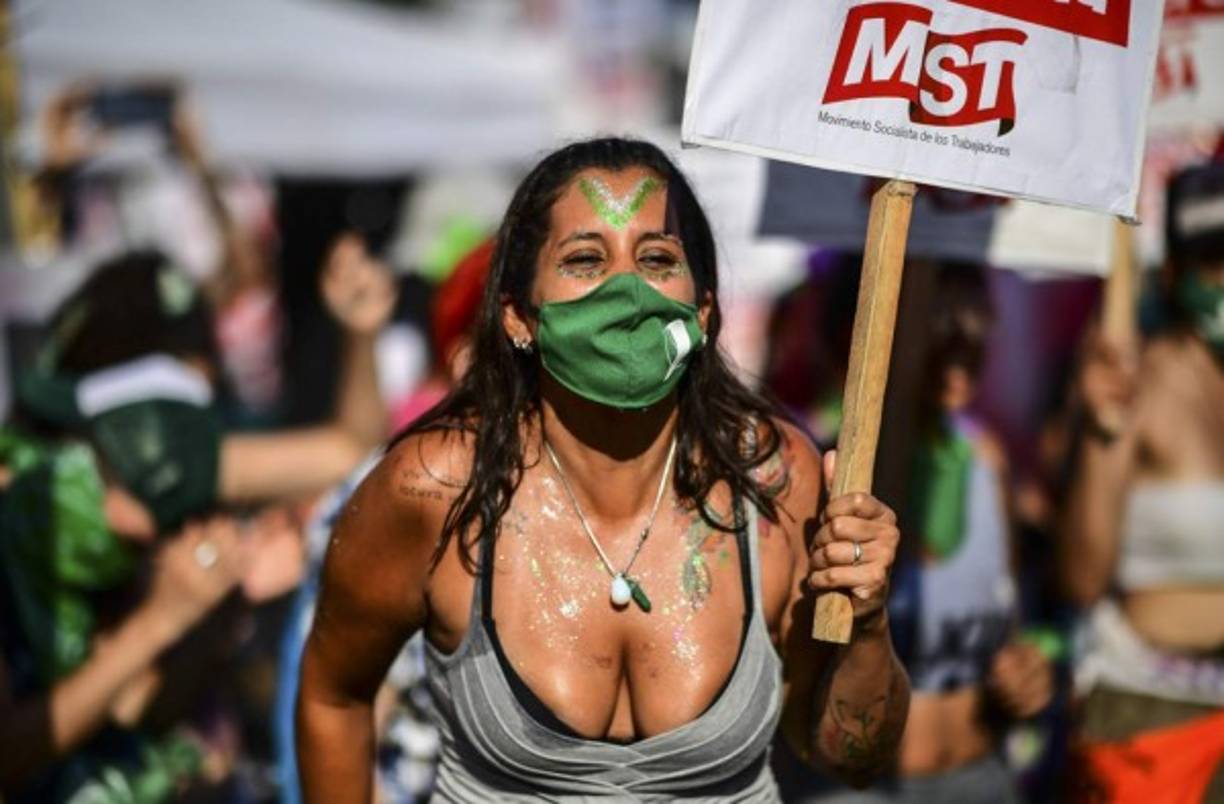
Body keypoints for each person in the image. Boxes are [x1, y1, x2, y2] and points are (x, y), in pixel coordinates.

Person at [296, 137, 910, 802]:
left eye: (657, 259)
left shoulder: (774, 480)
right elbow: (333, 698)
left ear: (703, 309)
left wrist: (867, 622)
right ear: (517, 316)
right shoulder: (437, 488)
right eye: (586, 260)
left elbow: (848, 757)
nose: (627, 292)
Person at [771, 261, 1052, 804]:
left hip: (979, 781)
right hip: (847, 791)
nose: (962, 347)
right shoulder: (812, 479)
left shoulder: (986, 461)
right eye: (938, 324)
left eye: (975, 322)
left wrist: (1026, 672)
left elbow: (1009, 629)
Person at [1061, 163, 1224, 800]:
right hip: (1150, 717)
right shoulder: (1134, 387)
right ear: (1176, 274)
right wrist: (1099, 434)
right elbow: (1081, 579)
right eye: (1212, 263)